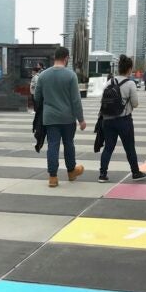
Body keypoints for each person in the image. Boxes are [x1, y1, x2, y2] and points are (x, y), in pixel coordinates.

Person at [34, 47, 86, 188]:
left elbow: (37, 97)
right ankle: (71, 171)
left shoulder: (43, 76)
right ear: (66, 58)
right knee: (69, 143)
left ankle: (53, 177)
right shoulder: (70, 75)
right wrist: (81, 119)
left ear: (54, 58)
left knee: (52, 145)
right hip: (68, 118)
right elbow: (76, 100)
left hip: (50, 118)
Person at [98, 55, 146, 183]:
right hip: (124, 120)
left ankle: (102, 174)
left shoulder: (109, 82)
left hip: (107, 120)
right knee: (129, 147)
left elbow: (102, 101)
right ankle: (135, 172)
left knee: (108, 147)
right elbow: (135, 103)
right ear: (129, 69)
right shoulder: (130, 83)